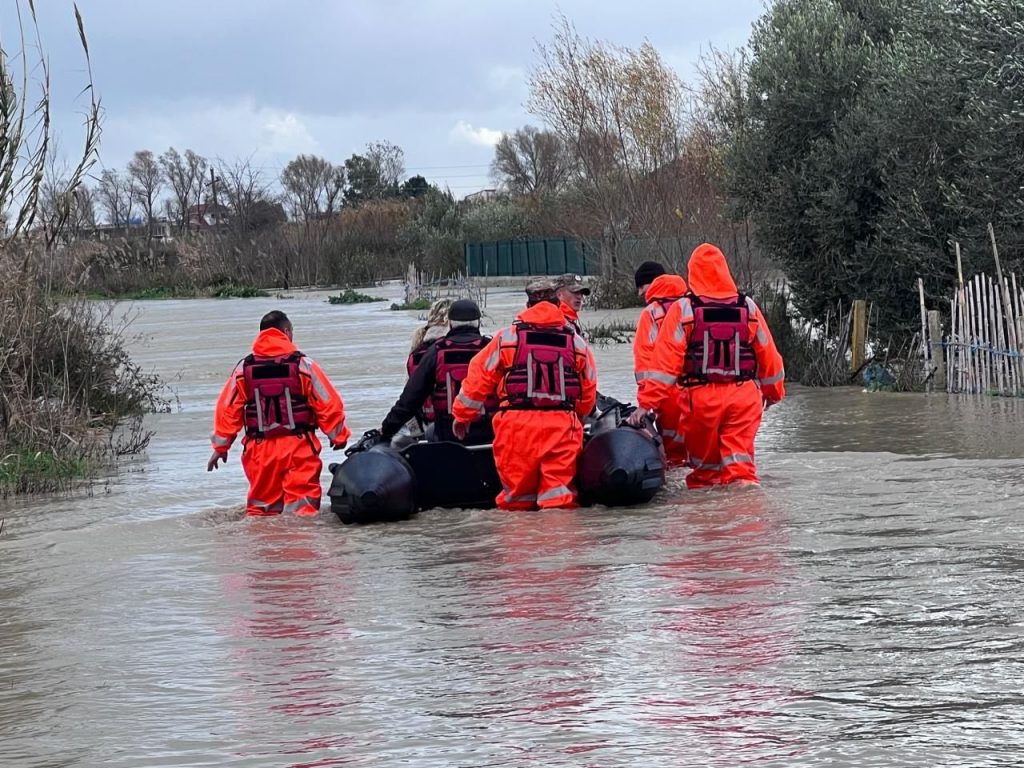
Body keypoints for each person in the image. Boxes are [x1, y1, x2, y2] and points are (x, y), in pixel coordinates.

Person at [630, 244, 785, 488]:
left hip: (701, 399)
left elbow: (664, 364)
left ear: (692, 275)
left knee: (705, 474)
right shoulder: (748, 307)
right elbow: (769, 356)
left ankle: (709, 523)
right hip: (744, 396)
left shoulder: (684, 310)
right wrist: (774, 392)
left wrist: (647, 404)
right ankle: (747, 518)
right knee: (741, 470)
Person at [451, 278, 598, 510]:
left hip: (515, 427)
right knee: (558, 500)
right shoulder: (577, 343)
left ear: (528, 304)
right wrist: (576, 419)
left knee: (517, 502)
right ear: (557, 304)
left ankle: (521, 544)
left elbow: (478, 378)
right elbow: (588, 391)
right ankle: (561, 544)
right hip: (561, 426)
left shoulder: (507, 338)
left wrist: (462, 416)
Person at [208, 310, 351, 516]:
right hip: (298, 447)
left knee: (262, 512)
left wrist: (221, 447)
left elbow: (227, 410)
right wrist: (338, 435)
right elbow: (327, 402)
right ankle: (300, 547)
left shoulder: (243, 369)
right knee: (303, 511)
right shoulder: (303, 365)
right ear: (286, 332)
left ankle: (265, 547)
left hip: (259, 451)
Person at [379, 299, 496, 445]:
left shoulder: (435, 352)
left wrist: (385, 431)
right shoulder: (493, 349)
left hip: (447, 437)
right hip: (489, 435)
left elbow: (410, 400)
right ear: (478, 322)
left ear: (451, 323)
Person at [632, 261, 690, 466]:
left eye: (641, 287)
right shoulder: (693, 306)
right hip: (699, 394)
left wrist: (646, 404)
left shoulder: (651, 313)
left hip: (667, 395)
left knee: (674, 461)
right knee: (705, 460)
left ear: (651, 283)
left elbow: (645, 363)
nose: (640, 293)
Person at [406, 298, 453, 427]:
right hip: (459, 422)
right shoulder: (464, 346)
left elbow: (408, 395)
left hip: (427, 422)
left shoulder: (417, 350)